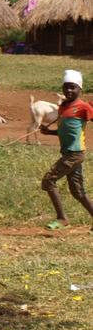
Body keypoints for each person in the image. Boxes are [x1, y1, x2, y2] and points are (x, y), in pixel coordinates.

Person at [40, 69, 93, 230]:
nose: (69, 90)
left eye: (73, 87)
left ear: (79, 89)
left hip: (76, 153)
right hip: (68, 153)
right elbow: (65, 130)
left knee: (48, 180)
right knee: (77, 191)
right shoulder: (63, 107)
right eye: (66, 87)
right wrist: (49, 132)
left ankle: (62, 218)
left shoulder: (84, 107)